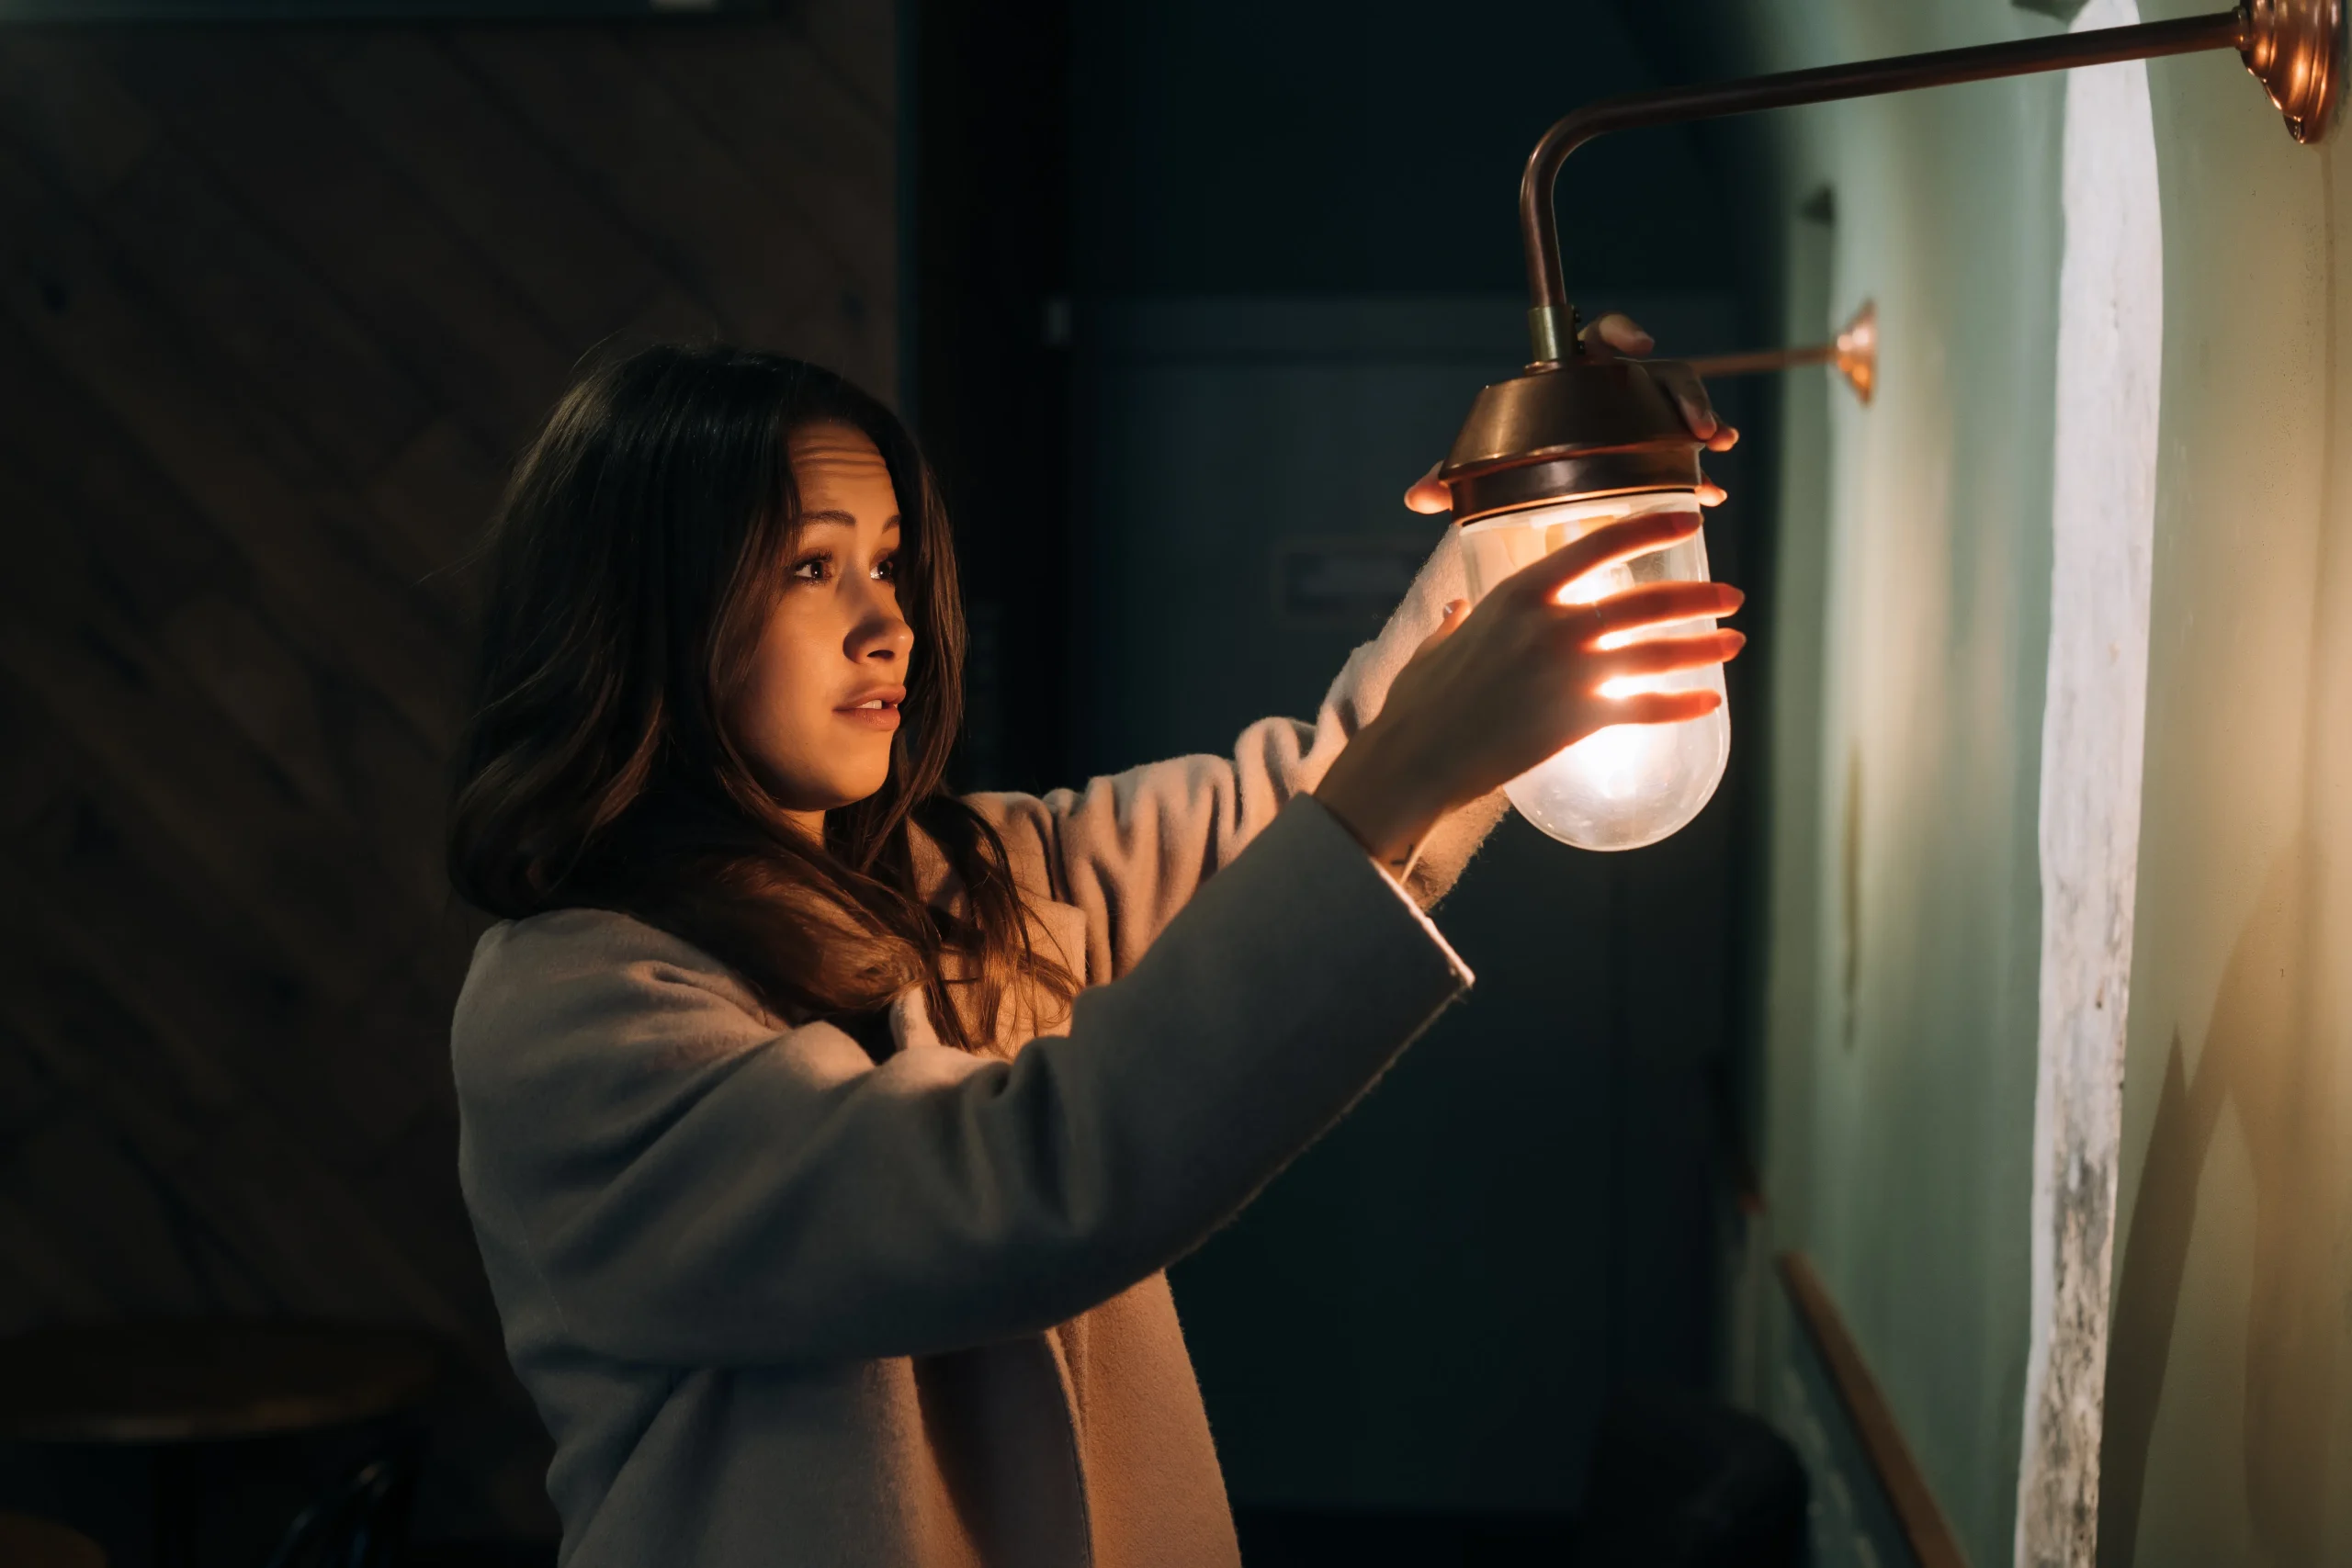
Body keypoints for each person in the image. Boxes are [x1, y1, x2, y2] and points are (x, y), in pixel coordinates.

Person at [446, 315, 1743, 1567]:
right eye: (808, 565)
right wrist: (1416, 756)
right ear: (646, 615)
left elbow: (1301, 816)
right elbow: (1019, 1190)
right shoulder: (572, 1012)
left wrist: (1548, 506)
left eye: (891, 560)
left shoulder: (967, 878)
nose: (886, 619)